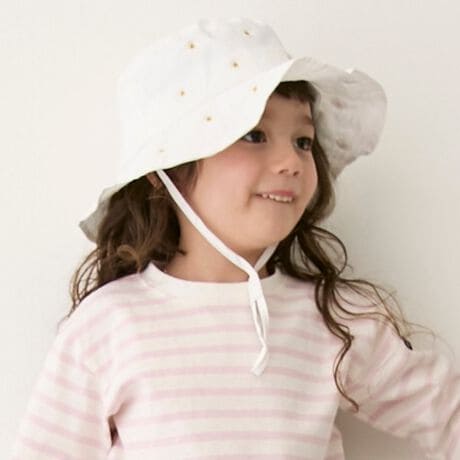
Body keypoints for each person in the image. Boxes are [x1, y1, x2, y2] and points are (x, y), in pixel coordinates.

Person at [10, 16, 460, 460]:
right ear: (167, 171)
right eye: (254, 134)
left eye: (303, 141)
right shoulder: (110, 326)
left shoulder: (332, 319)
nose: (291, 161)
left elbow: (447, 411)